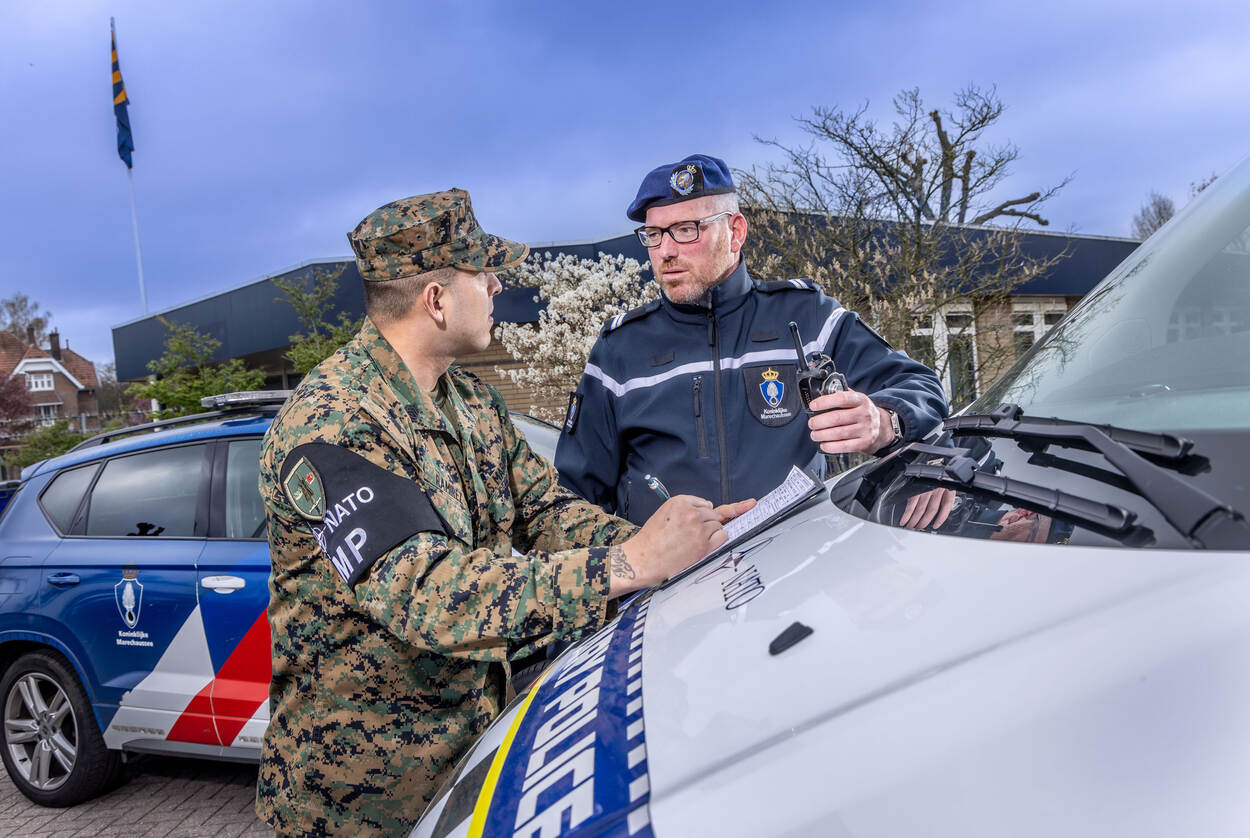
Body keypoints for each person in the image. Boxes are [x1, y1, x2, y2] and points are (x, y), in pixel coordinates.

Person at [255, 188, 749, 837]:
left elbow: (545, 512)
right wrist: (629, 563)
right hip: (358, 808)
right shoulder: (331, 423)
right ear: (436, 300)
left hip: (465, 769)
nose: (496, 285)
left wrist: (674, 545)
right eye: (482, 273)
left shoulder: (471, 401)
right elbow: (428, 594)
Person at [555, 153, 949, 525]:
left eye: (686, 230)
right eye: (654, 234)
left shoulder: (805, 315)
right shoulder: (619, 349)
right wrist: (639, 555)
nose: (666, 251)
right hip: (670, 589)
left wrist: (884, 423)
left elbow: (921, 387)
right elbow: (575, 494)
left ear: (735, 231)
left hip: (796, 568)